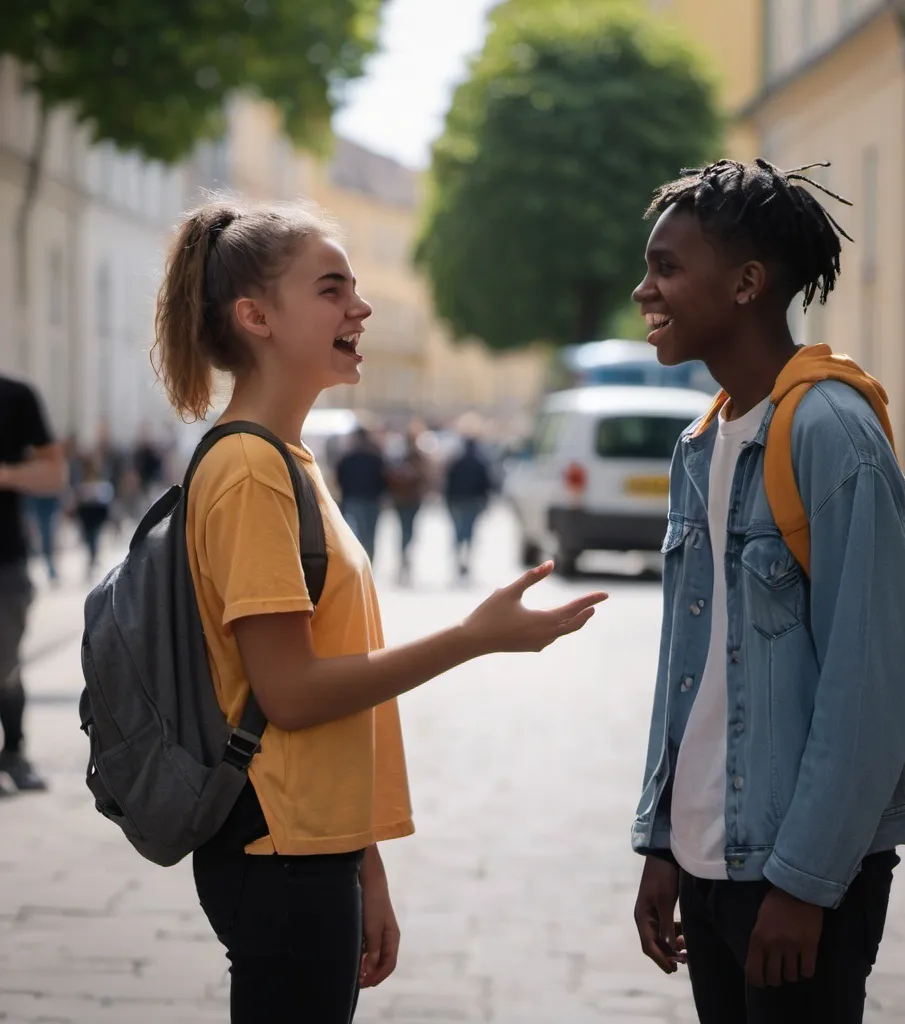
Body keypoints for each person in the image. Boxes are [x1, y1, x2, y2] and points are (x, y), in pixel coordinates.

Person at [150, 199, 607, 1023]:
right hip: (277, 850)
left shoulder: (286, 456)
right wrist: (472, 639)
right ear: (255, 317)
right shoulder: (252, 469)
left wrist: (365, 864)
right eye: (331, 289)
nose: (359, 307)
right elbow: (288, 693)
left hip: (307, 845)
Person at [629, 159, 905, 1024]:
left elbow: (875, 683)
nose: (643, 288)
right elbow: (687, 674)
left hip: (797, 875)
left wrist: (805, 882)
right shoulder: (702, 440)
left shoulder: (832, 434)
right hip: (705, 860)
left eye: (667, 267)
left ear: (747, 285)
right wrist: (662, 843)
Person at [0, 375, 66, 795]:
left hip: (4, 560)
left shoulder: (15, 396)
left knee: (4, 664)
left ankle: (14, 753)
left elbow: (54, 473)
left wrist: (4, 474)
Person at [335, 426, 388, 564]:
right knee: (369, 534)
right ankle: (367, 563)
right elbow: (384, 479)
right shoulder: (375, 456)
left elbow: (340, 478)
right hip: (369, 499)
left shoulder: (348, 457)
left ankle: (360, 563)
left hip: (355, 499)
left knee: (356, 533)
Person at [445, 436, 494, 581]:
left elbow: (448, 482)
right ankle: (464, 559)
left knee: (459, 531)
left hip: (458, 500)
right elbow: (487, 484)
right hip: (471, 501)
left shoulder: (457, 461)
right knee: (469, 531)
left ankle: (460, 559)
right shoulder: (480, 462)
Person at [387, 427, 430, 586]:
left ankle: (404, 557)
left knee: (404, 529)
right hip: (410, 499)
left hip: (404, 499)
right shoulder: (415, 456)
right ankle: (404, 557)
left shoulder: (399, 456)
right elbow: (426, 477)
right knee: (408, 529)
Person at [72, 455, 116, 578]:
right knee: (88, 538)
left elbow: (106, 497)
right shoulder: (81, 480)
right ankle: (91, 558)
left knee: (94, 537)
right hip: (86, 514)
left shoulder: (100, 480)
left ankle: (93, 558)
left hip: (96, 514)